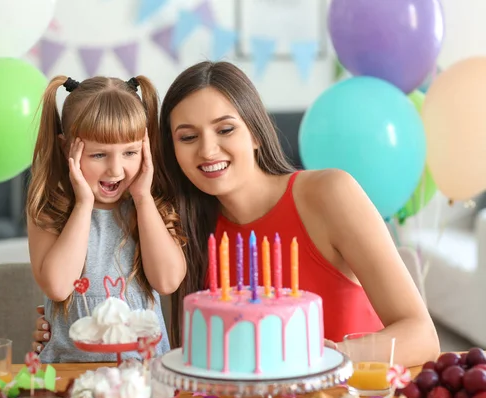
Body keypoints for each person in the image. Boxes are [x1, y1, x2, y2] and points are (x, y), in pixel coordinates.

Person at [32, 62, 440, 367]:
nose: (208, 151)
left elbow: (422, 337)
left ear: (256, 132)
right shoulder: (189, 223)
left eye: (226, 129)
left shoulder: (330, 193)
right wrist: (68, 325)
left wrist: (328, 355)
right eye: (187, 137)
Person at [26, 74, 186, 363]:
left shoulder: (150, 206)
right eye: (99, 155)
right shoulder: (50, 206)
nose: (116, 170)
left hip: (144, 375)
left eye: (130, 152)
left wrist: (143, 199)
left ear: (145, 149)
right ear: (67, 150)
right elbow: (59, 286)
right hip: (68, 376)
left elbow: (168, 281)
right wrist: (84, 204)